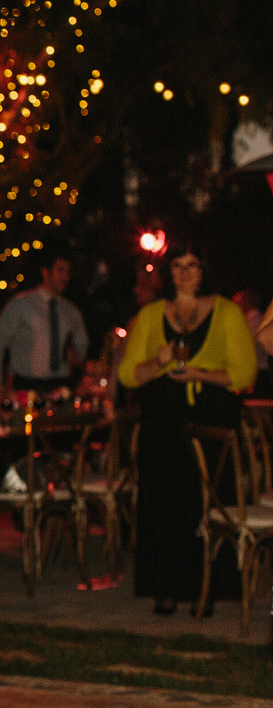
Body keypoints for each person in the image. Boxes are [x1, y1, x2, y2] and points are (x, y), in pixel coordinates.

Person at [118, 241, 256, 616]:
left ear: (204, 269)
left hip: (210, 417)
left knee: (204, 502)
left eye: (192, 264)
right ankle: (166, 588)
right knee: (165, 501)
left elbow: (244, 373)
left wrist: (198, 373)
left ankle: (207, 587)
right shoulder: (150, 316)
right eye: (177, 265)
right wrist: (159, 362)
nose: (184, 272)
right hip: (163, 417)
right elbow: (128, 375)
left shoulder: (226, 313)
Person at [0, 246, 89, 393]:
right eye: (60, 270)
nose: (65, 276)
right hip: (26, 385)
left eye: (68, 271)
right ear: (45, 271)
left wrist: (76, 354)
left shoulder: (70, 310)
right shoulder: (21, 304)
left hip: (60, 385)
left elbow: (82, 343)